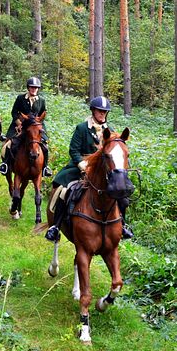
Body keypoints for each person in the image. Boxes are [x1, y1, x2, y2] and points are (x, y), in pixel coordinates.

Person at [45, 96, 133, 242]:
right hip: (80, 168)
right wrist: (82, 164)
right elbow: (74, 150)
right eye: (99, 111)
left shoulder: (110, 130)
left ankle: (122, 225)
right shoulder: (82, 128)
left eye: (105, 112)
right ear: (93, 110)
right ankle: (55, 226)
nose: (102, 114)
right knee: (64, 190)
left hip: (102, 171)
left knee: (121, 195)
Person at [0, 77, 52, 177]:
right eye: (32, 87)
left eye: (36, 88)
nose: (34, 89)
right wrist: (18, 123)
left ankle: (45, 168)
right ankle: (5, 165)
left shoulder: (42, 101)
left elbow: (43, 115)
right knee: (8, 145)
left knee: (45, 146)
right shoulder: (20, 98)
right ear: (28, 88)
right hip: (20, 125)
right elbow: (14, 112)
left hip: (35, 127)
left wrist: (38, 124)